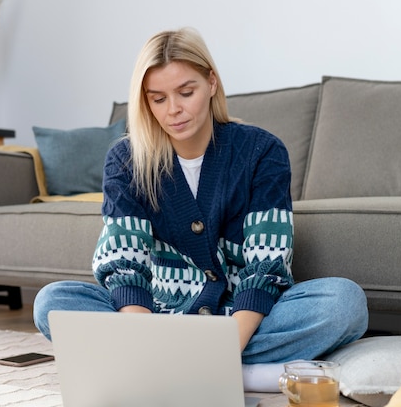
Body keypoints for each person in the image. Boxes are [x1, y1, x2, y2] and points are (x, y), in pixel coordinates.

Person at [33, 27, 368, 391]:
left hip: (240, 318)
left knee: (343, 303)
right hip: (155, 319)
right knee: (52, 301)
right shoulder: (126, 160)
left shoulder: (261, 151)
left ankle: (169, 370)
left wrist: (220, 350)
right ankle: (240, 374)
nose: (173, 110)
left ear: (211, 82)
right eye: (157, 99)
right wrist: (142, 336)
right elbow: (124, 263)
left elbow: (267, 265)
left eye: (186, 92)